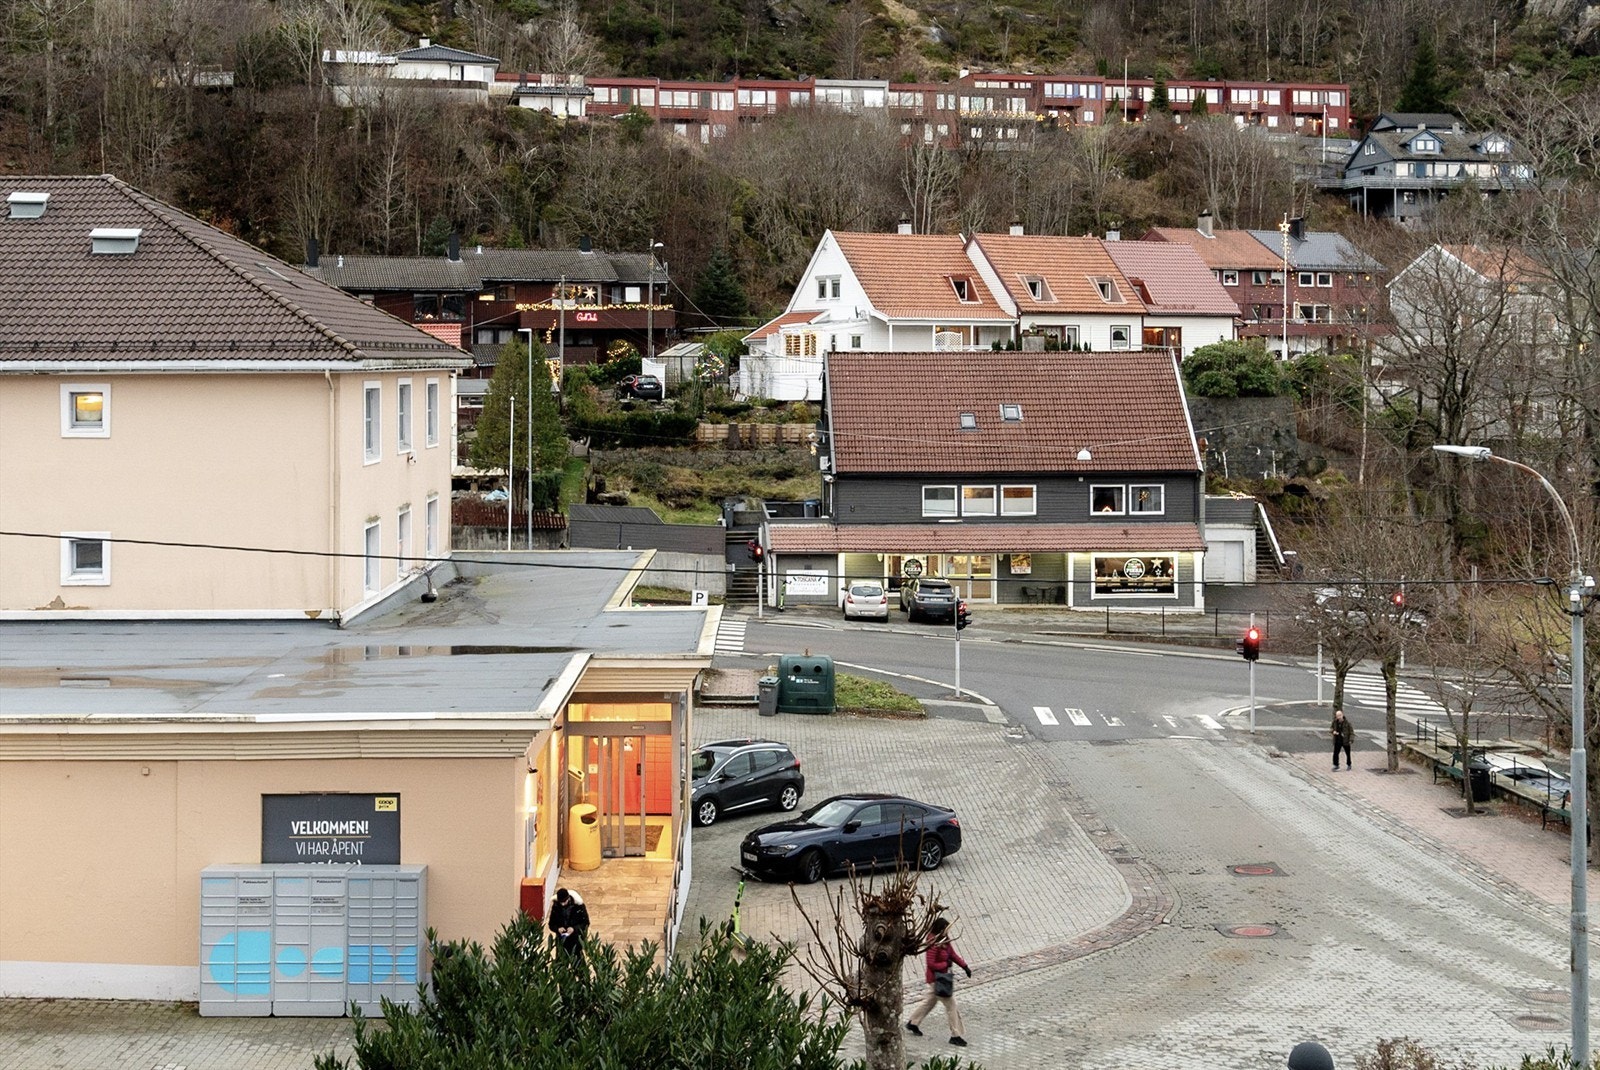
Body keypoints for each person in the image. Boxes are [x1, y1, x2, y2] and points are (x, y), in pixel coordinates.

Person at [905, 916, 971, 1047]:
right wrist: (945, 964)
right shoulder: (933, 942)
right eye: (946, 929)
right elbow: (931, 963)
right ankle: (955, 1035)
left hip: (941, 977)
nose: (948, 931)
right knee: (951, 1006)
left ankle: (913, 1022)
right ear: (940, 929)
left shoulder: (944, 940)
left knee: (930, 1001)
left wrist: (965, 966)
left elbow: (952, 954)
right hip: (937, 979)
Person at [548, 887, 590, 959]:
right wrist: (558, 929)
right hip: (562, 941)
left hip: (576, 940)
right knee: (561, 962)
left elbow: (585, 923)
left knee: (577, 961)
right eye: (561, 902)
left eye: (564, 901)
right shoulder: (556, 907)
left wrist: (574, 929)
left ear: (568, 898)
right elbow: (551, 924)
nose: (563, 904)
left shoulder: (578, 906)